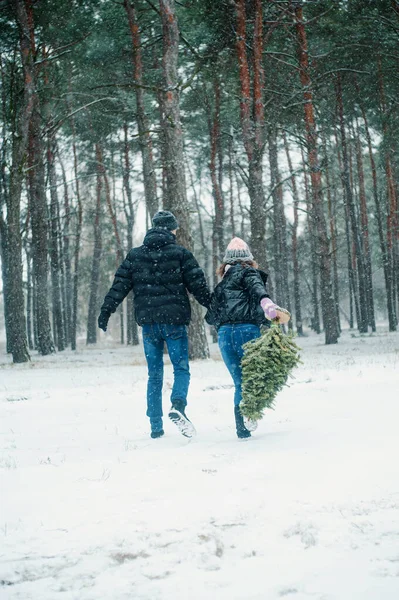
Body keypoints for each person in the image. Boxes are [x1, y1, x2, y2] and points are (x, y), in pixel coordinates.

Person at [98, 211, 211, 439]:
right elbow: (198, 284)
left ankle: (156, 426)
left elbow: (119, 285)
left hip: (149, 325)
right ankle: (177, 405)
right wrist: (214, 307)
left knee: (155, 374)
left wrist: (106, 310)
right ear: (171, 229)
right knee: (181, 368)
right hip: (174, 323)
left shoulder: (136, 255)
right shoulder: (180, 254)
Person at [206, 237, 288, 439]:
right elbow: (258, 290)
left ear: (225, 262)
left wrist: (225, 324)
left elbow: (210, 316)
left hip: (225, 336)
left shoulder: (222, 284)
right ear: (248, 259)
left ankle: (242, 428)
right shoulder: (249, 272)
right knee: (254, 377)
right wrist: (267, 306)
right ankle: (249, 415)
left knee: (239, 382)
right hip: (247, 332)